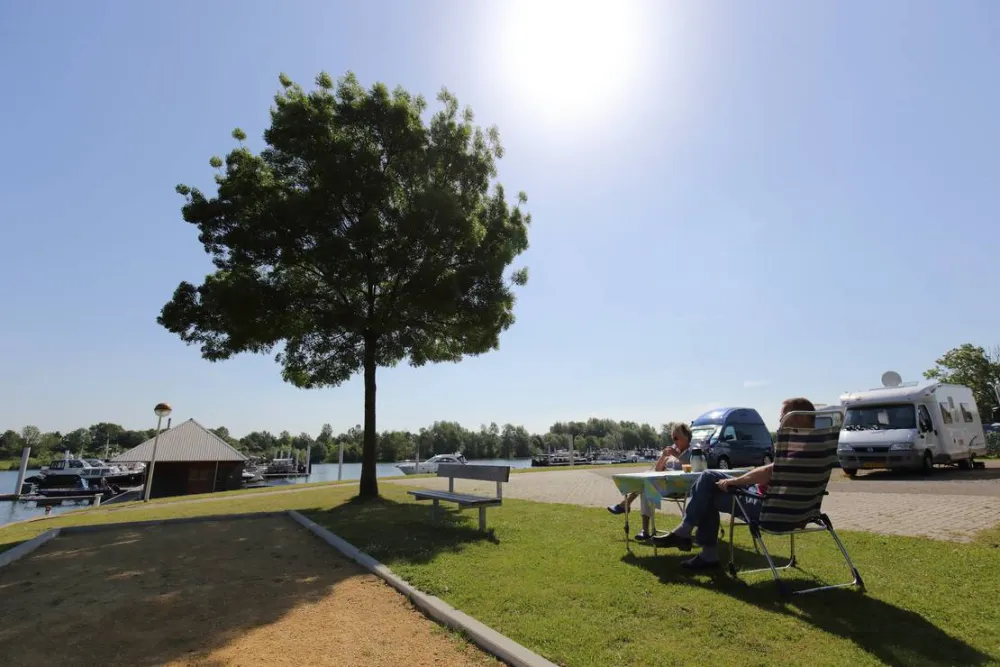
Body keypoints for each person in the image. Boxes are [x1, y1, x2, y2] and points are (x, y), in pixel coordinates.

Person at [651, 397, 816, 569]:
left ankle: (696, 542)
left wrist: (737, 481)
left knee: (708, 484)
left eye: (782, 417)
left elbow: (769, 471)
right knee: (708, 482)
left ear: (798, 418)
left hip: (767, 509)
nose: (780, 423)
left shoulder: (796, 446)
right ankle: (693, 539)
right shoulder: (817, 447)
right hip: (797, 511)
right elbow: (774, 471)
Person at [607, 423, 694, 540]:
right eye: (672, 438)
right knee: (646, 484)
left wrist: (676, 455)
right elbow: (658, 470)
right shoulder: (674, 451)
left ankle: (627, 506)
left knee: (646, 482)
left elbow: (692, 467)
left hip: (680, 487)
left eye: (676, 438)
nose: (674, 441)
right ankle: (643, 529)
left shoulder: (693, 452)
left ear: (686, 437)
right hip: (664, 484)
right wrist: (663, 457)